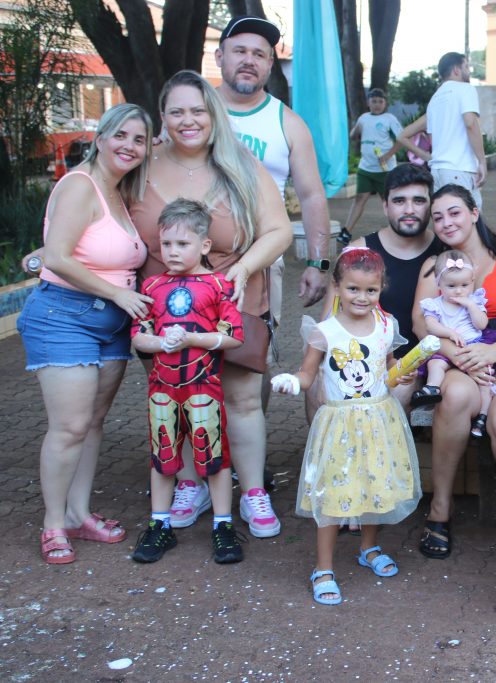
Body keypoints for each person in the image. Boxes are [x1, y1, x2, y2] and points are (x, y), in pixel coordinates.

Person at [130, 70, 292, 537]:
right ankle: (190, 484)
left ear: (214, 114)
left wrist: (244, 268)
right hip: (164, 308)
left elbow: (279, 230)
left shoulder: (239, 162)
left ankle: (253, 491)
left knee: (241, 399)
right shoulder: (141, 166)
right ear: (162, 117)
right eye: (177, 111)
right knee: (175, 397)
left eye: (198, 110)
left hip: (232, 297)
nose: (188, 120)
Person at [18, 104, 153, 564]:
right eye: (121, 135)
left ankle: (78, 514)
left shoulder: (119, 191)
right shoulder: (81, 184)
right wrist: (117, 295)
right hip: (64, 316)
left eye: (139, 139)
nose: (129, 146)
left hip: (111, 324)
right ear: (100, 138)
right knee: (70, 426)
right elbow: (56, 257)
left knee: (92, 423)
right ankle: (53, 524)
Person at [270, 248, 421, 605]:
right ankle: (323, 567)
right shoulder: (324, 332)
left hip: (379, 420)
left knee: (374, 484)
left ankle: (368, 547)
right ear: (336, 287)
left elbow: (388, 365)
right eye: (353, 289)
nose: (362, 297)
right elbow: (308, 375)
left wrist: (400, 373)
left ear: (381, 289)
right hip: (339, 425)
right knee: (333, 495)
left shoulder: (386, 325)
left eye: (371, 290)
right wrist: (292, 382)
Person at [411, 185, 496, 559]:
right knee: (454, 396)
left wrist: (493, 351)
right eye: (438, 217)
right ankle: (441, 506)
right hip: (459, 353)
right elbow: (421, 324)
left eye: (454, 212)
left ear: (474, 212)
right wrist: (461, 356)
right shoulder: (434, 266)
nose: (446, 222)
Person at [129, 199, 245, 564]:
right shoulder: (152, 285)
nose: (173, 251)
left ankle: (223, 526)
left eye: (182, 243)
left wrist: (192, 339)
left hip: (203, 386)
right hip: (162, 388)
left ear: (204, 245)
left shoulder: (219, 285)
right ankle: (159, 524)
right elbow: (139, 336)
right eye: (166, 244)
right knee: (163, 453)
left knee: (214, 455)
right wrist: (161, 343)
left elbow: (234, 337)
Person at [216, 15, 330, 307]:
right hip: (192, 259)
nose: (249, 60)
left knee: (257, 338)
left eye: (259, 54)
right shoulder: (193, 112)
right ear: (219, 57)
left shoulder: (289, 124)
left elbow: (312, 196)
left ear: (269, 64)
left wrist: (318, 264)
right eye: (240, 51)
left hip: (263, 260)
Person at [337, 164, 445, 406]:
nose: (409, 210)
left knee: (397, 389)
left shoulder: (445, 252)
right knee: (317, 384)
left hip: (419, 364)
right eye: (399, 201)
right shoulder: (358, 250)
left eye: (419, 201)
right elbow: (331, 318)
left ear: (430, 205)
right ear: (385, 206)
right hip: (363, 356)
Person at [414, 249, 496, 438]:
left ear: (473, 281)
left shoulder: (475, 301)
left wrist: (471, 306)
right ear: (439, 284)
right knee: (435, 363)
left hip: (474, 345)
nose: (459, 291)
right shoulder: (435, 304)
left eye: (465, 285)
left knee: (485, 380)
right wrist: (450, 333)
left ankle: (483, 416)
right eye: (451, 286)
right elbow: (430, 326)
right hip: (447, 348)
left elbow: (482, 324)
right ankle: (432, 388)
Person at [398, 52, 486, 207]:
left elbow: (402, 136)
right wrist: (482, 161)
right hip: (460, 169)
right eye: (466, 67)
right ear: (456, 70)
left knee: (447, 219)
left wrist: (426, 156)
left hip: (437, 172)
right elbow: (470, 123)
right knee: (470, 218)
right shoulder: (466, 89)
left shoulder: (435, 99)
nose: (469, 71)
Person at [345, 87, 403, 237]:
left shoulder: (390, 119)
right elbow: (353, 135)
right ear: (368, 102)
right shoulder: (363, 118)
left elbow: (402, 140)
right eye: (374, 101)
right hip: (365, 168)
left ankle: (398, 230)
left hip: (385, 170)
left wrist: (388, 155)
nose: (377, 104)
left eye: (380, 101)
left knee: (388, 201)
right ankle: (346, 232)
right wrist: (355, 130)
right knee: (359, 199)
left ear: (385, 103)